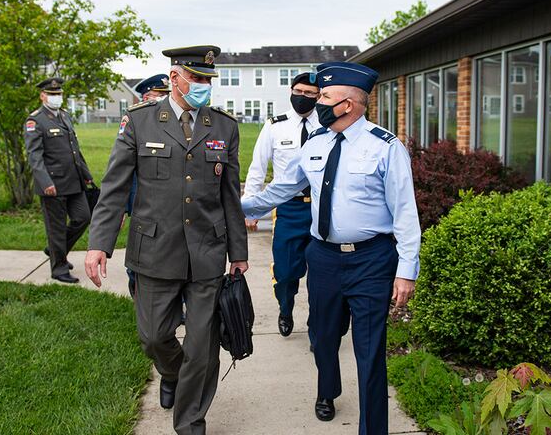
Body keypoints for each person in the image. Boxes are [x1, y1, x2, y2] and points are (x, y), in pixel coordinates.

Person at [242, 61, 421, 435]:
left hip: (372, 259)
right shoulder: (316, 144)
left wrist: (407, 270)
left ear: (348, 105)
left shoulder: (386, 148)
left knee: (370, 352)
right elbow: (283, 189)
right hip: (322, 257)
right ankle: (328, 391)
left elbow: (406, 213)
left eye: (324, 96)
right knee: (323, 337)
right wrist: (237, 207)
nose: (316, 102)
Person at [84, 45, 249, 435]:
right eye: (197, 78)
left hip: (207, 251)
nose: (204, 86)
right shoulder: (139, 122)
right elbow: (113, 188)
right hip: (155, 249)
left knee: (202, 348)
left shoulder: (224, 126)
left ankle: (190, 422)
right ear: (174, 78)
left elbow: (230, 196)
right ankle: (171, 373)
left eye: (209, 80)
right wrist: (98, 244)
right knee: (155, 337)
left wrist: (238, 252)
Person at [243, 72, 321, 340]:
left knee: (321, 273)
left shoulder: (327, 124)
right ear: (290, 91)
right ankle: (285, 308)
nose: (303, 97)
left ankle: (317, 325)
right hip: (288, 208)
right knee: (286, 272)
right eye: (299, 91)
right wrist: (252, 209)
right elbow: (258, 166)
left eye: (310, 93)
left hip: (322, 209)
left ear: (319, 96)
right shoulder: (276, 126)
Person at [24, 77, 93, 284]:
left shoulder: (64, 116)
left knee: (83, 217)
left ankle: (56, 250)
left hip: (74, 181)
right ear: (42, 96)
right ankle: (59, 268)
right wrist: (45, 182)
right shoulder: (35, 120)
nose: (56, 97)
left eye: (59, 94)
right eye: (52, 94)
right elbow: (34, 156)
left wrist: (86, 174)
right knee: (55, 228)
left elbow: (75, 151)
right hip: (53, 184)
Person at [124, 74, 172, 296]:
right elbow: (124, 171)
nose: (164, 100)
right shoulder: (134, 121)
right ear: (145, 98)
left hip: (167, 199)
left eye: (166, 96)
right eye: (158, 96)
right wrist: (125, 207)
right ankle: (138, 292)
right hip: (139, 197)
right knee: (141, 248)